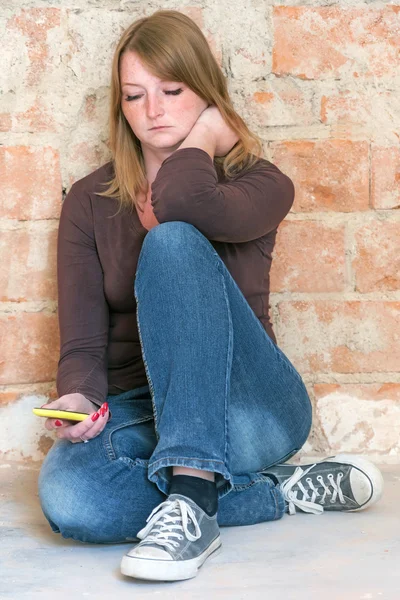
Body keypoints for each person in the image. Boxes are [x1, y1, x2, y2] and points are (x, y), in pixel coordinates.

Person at [37, 9, 384, 583]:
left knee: (171, 243)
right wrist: (77, 395)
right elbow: (82, 340)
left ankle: (194, 498)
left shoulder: (261, 182)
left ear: (207, 92)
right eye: (134, 95)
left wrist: (204, 139)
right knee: (72, 497)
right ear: (119, 107)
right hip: (148, 412)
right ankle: (271, 494)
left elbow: (181, 207)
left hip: (251, 409)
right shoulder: (90, 202)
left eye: (173, 90)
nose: (153, 110)